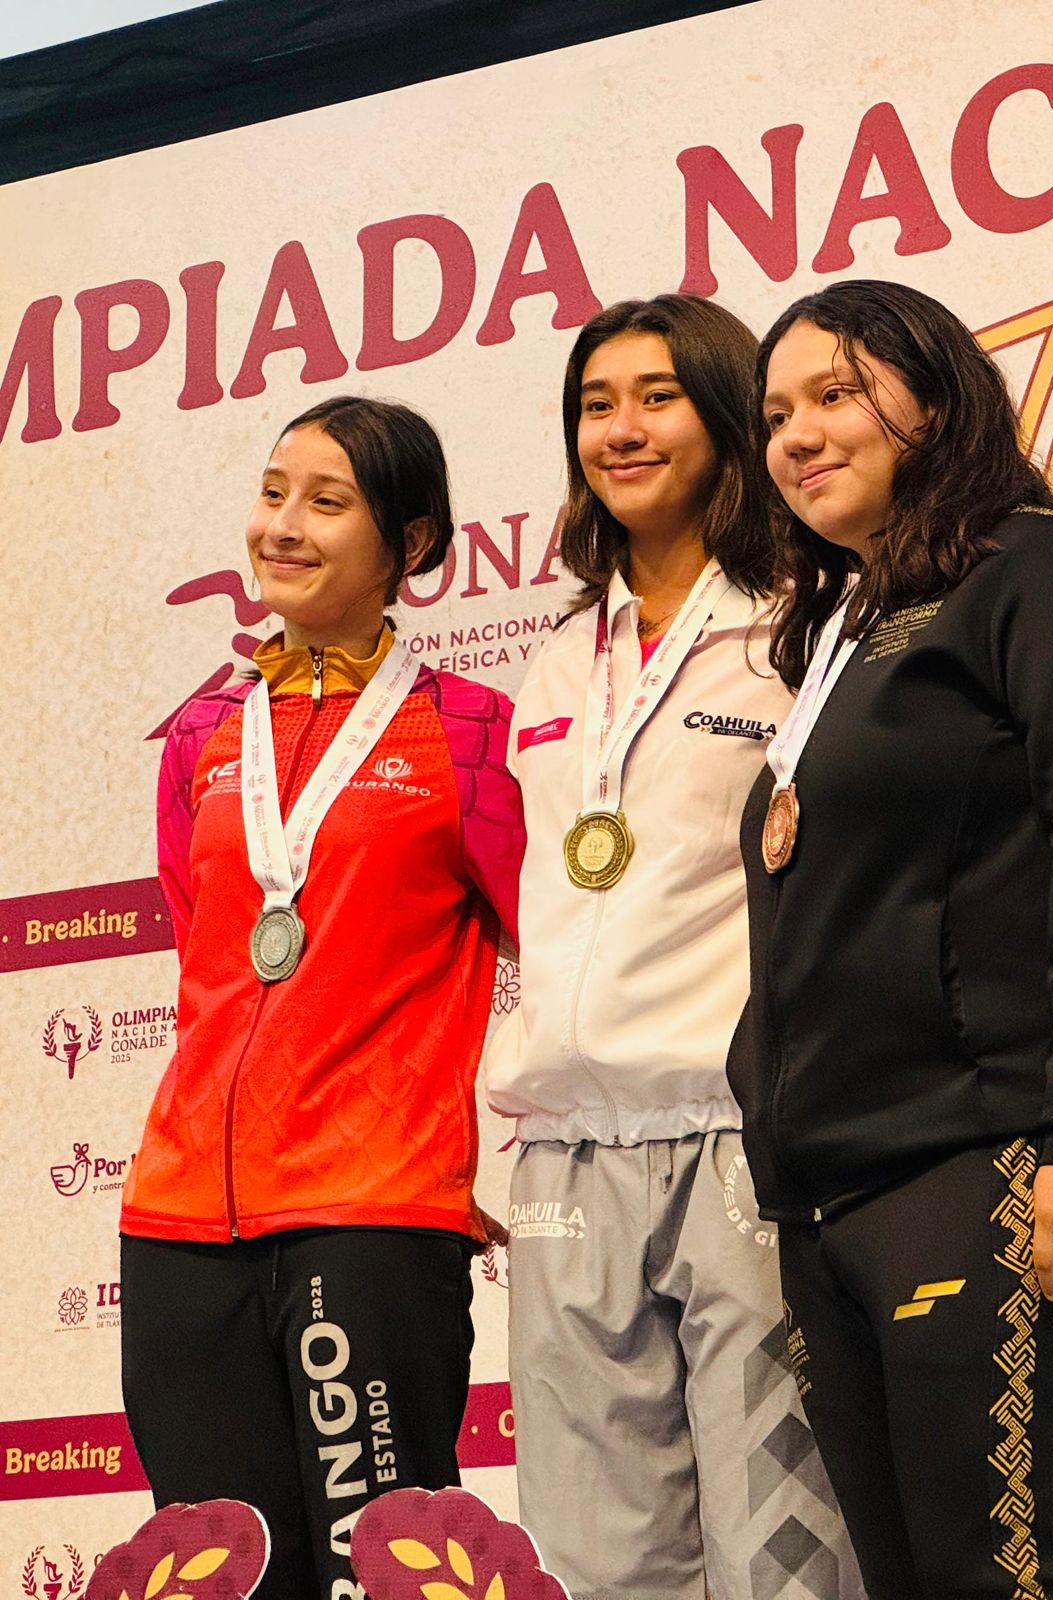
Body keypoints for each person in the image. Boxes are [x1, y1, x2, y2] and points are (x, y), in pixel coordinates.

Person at [726, 279, 1053, 1600]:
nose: (798, 435)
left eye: (835, 393)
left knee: (1007, 1578)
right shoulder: (845, 629)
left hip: (1000, 1155)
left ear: (935, 396)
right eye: (776, 414)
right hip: (833, 1196)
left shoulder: (1043, 568)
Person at [486, 294, 863, 1600]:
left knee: (783, 1550)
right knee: (594, 1560)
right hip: (563, 1151)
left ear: (725, 416)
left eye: (657, 397)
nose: (621, 429)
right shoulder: (555, 657)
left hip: (737, 1132)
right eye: (595, 405)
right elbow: (541, 899)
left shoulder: (802, 627)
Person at [120, 396, 523, 1600]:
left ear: (411, 543)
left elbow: (558, 958)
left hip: (372, 1213)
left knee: (380, 1575)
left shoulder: (470, 733)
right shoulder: (201, 734)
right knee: (219, 1576)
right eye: (272, 493)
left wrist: (491, 1152)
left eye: (327, 501)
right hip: (179, 1219)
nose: (282, 527)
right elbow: (206, 958)